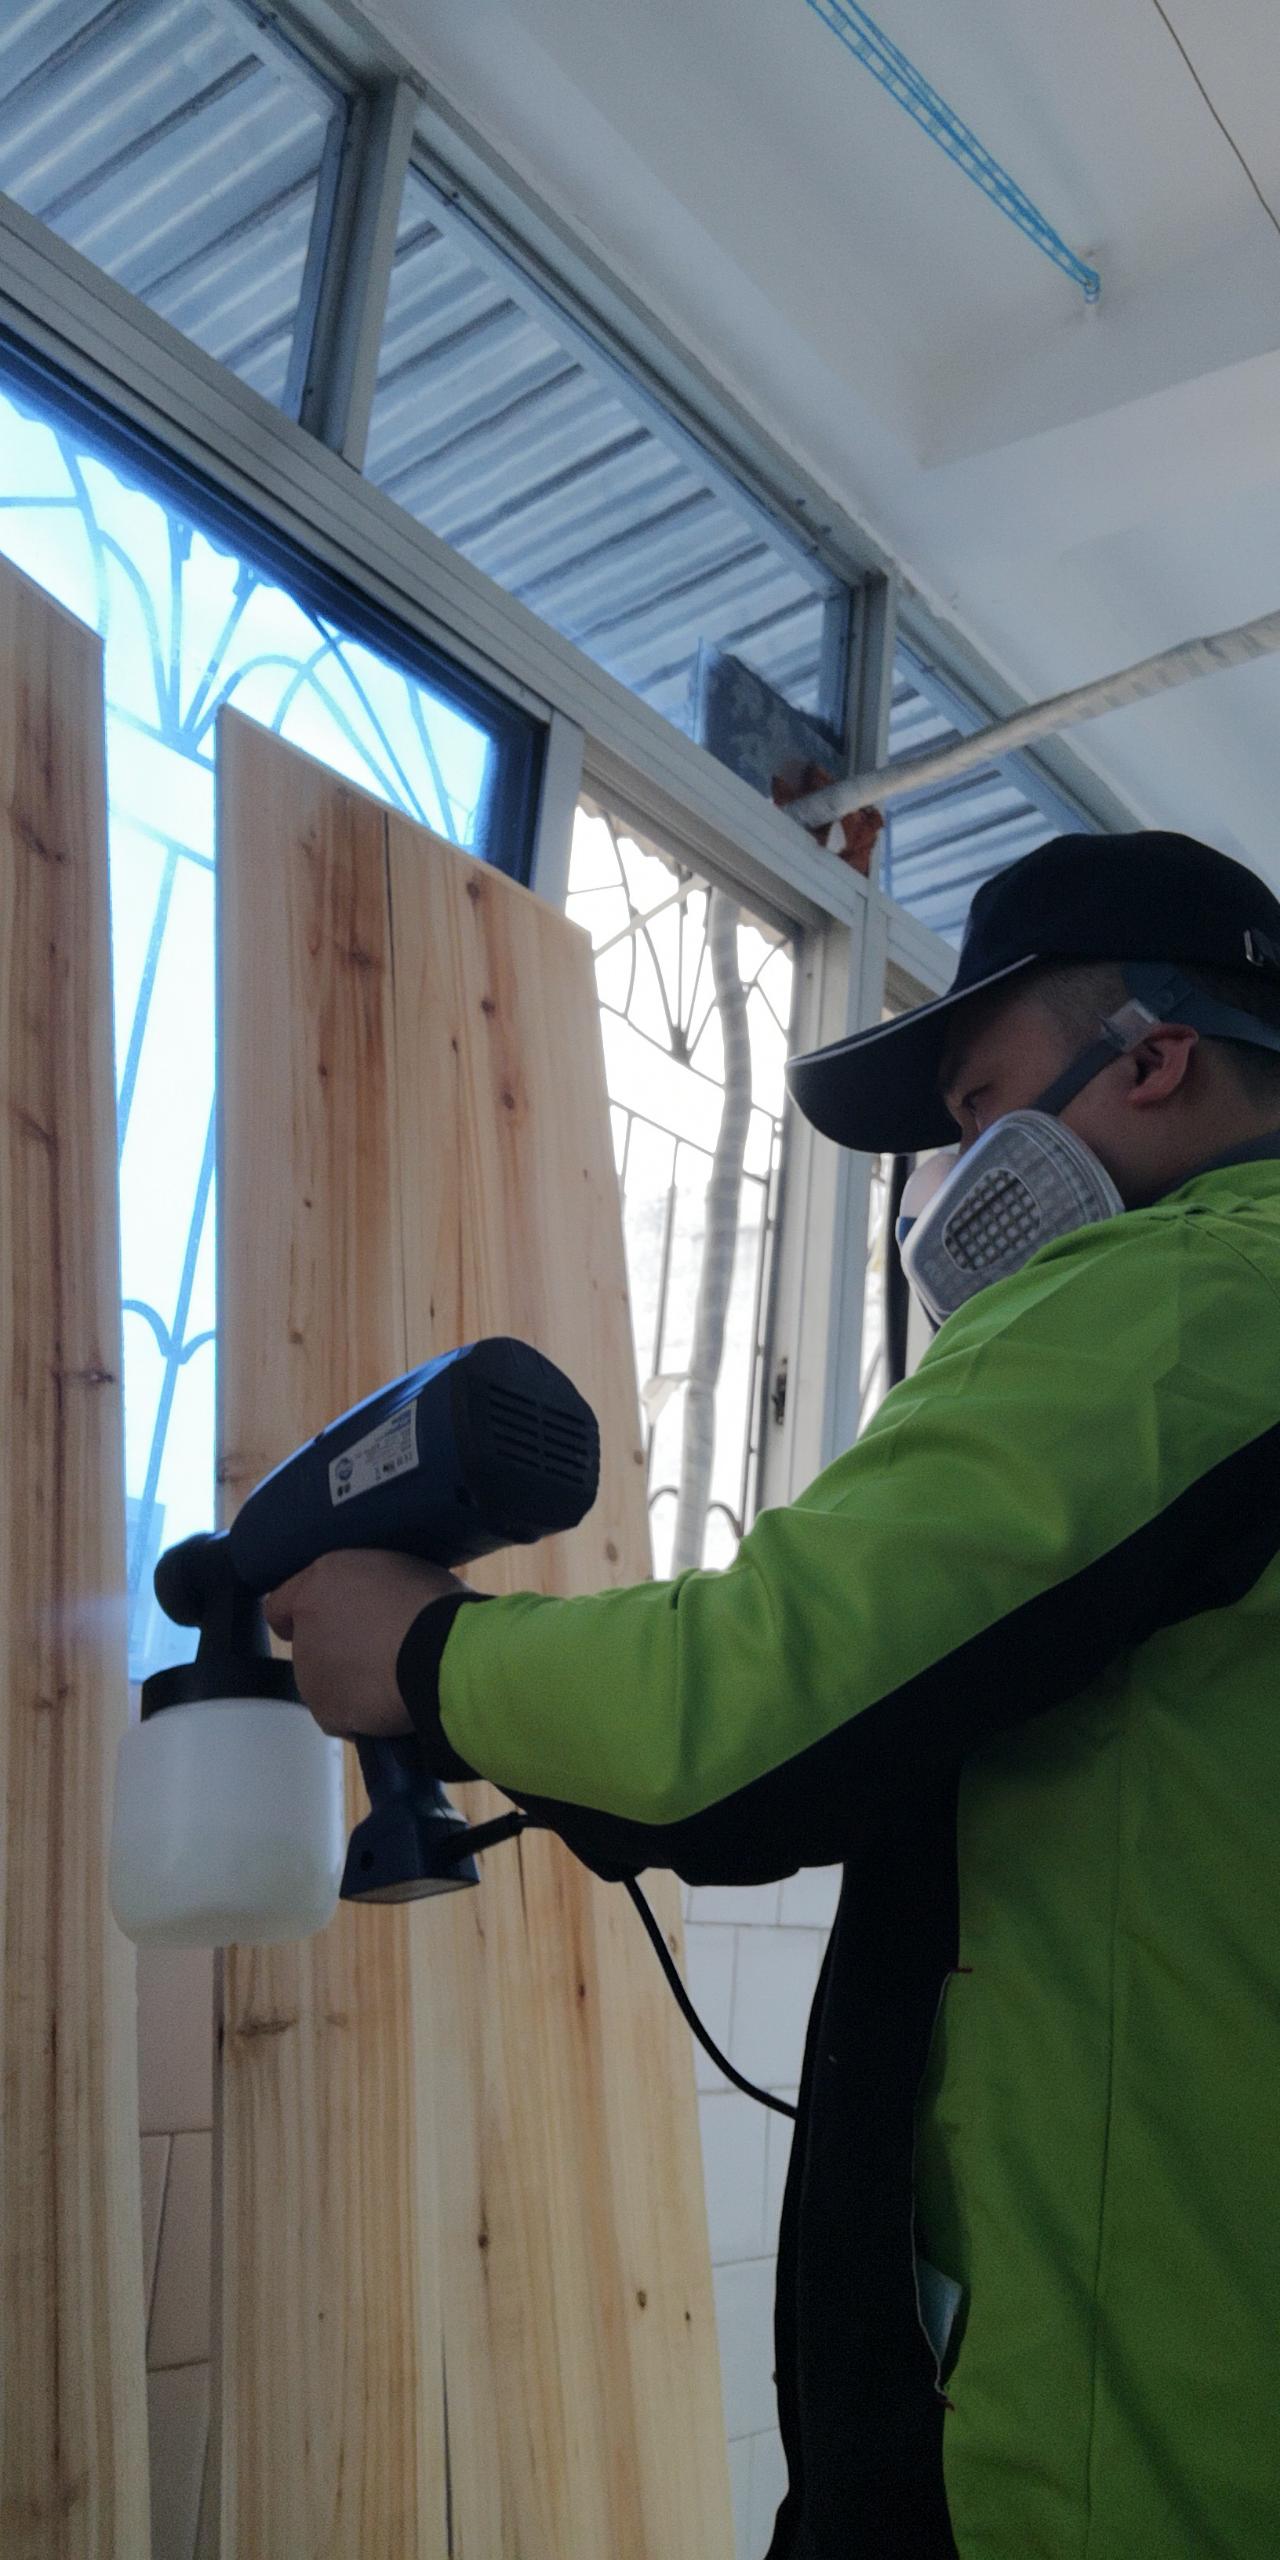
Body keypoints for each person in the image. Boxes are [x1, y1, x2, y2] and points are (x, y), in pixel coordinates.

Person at [265, 829, 1280, 2560]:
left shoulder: (1185, 1295)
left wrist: (423, 1652)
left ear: (1156, 1058)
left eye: (979, 1108)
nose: (951, 1179)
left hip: (1107, 2462)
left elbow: (741, 1721)